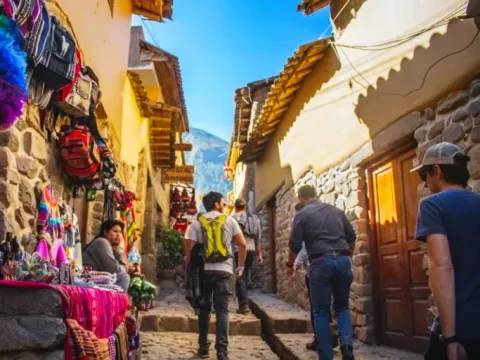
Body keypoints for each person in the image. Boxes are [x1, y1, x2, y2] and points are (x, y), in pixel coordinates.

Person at [412, 142, 480, 360]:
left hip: (462, 324)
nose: (425, 183)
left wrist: (450, 339)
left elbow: (442, 266)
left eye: (424, 175)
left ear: (437, 171)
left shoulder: (432, 205)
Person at [287, 185, 356, 360]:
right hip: (342, 260)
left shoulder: (301, 215)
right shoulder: (336, 211)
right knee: (342, 307)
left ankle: (326, 356)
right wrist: (348, 256)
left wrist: (289, 265)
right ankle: (347, 347)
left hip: (320, 261)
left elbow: (294, 245)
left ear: (301, 198)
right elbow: (351, 236)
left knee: (321, 311)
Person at [184, 192, 247, 360]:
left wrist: (189, 269)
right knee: (222, 312)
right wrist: (240, 267)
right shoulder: (229, 220)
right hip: (225, 271)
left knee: (204, 309)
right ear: (217, 204)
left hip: (205, 271)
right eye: (223, 201)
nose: (225, 204)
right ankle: (222, 353)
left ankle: (203, 348)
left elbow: (189, 250)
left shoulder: (197, 223)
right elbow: (242, 245)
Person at [290, 202, 339, 352]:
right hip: (334, 263)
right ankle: (333, 338)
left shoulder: (303, 220)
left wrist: (293, 265)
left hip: (315, 268)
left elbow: (303, 249)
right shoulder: (324, 218)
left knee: (317, 308)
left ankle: (321, 340)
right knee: (329, 305)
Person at [231, 198, 262, 314]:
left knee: (240, 276)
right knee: (244, 274)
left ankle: (243, 305)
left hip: (238, 250)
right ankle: (244, 303)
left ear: (235, 206)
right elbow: (258, 238)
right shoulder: (254, 218)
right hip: (251, 249)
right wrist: (259, 254)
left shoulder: (232, 218)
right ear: (246, 206)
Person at [82, 219, 130, 292]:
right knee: (123, 277)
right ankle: (116, 303)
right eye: (115, 231)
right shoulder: (102, 242)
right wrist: (124, 267)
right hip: (88, 279)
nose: (118, 235)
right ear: (105, 232)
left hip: (100, 279)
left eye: (120, 232)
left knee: (124, 276)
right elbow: (114, 269)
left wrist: (118, 252)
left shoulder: (110, 246)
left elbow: (121, 268)